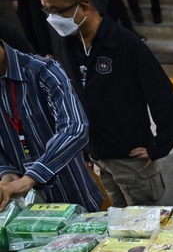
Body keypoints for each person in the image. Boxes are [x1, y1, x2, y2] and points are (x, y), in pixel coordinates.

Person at [40, 0, 173, 208]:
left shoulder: (125, 43)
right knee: (119, 235)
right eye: (46, 10)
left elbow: (162, 94)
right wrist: (83, 149)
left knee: (145, 232)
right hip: (99, 158)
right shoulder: (67, 45)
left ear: (84, 7)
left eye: (56, 11)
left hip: (132, 161)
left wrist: (160, 146)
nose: (51, 18)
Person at [0, 40, 104, 211]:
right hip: (21, 210)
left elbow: (75, 128)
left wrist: (31, 178)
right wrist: (6, 171)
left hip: (72, 197)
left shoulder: (42, 71)